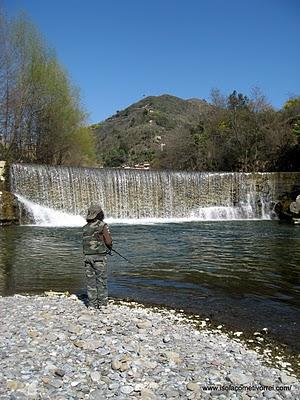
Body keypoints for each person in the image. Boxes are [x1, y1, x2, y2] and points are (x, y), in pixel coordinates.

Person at [83, 204, 112, 308]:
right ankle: (102, 304)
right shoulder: (102, 225)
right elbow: (108, 241)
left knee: (90, 282)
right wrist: (110, 247)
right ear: (100, 214)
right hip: (99, 258)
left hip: (87, 258)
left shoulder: (85, 227)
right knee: (101, 281)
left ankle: (91, 304)